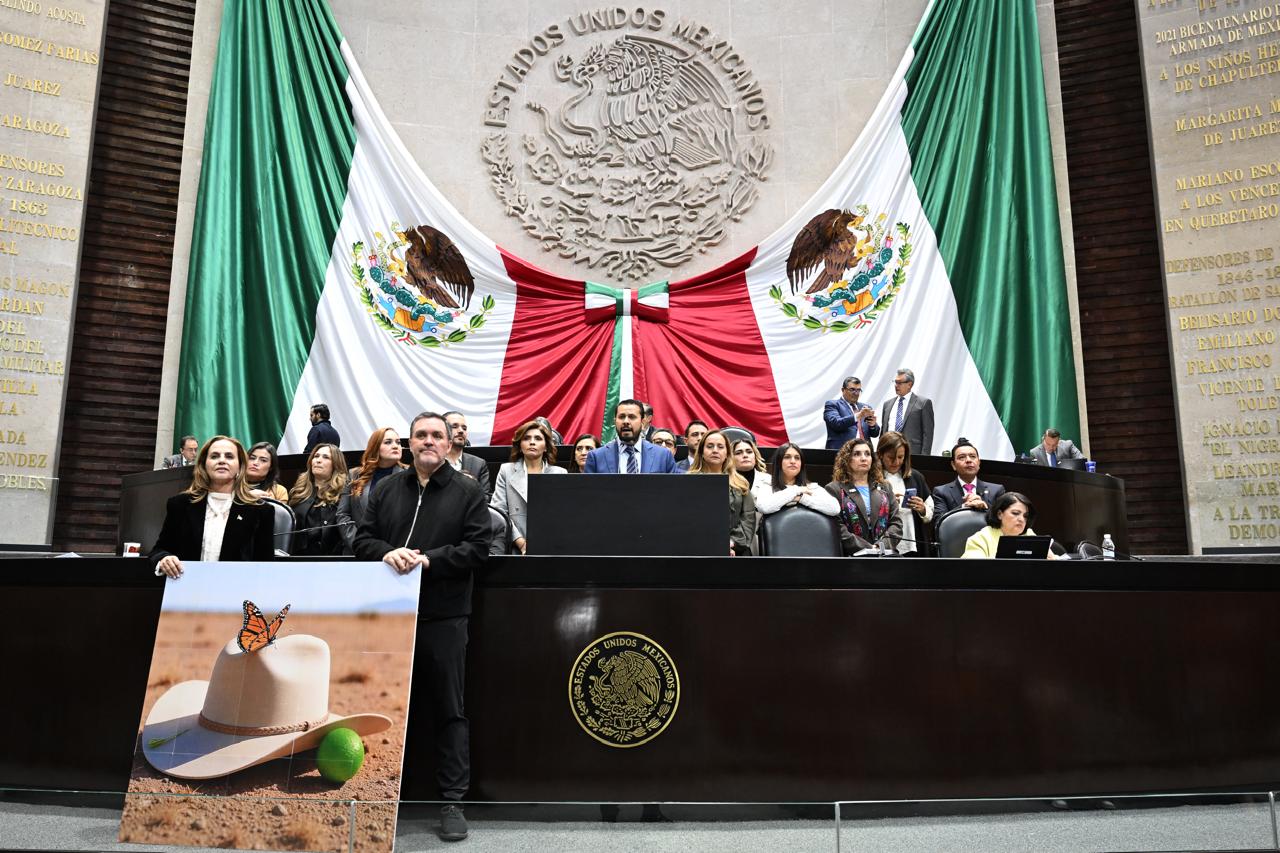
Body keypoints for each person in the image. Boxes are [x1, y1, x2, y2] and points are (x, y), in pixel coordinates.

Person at [352, 412, 489, 842]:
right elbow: (361, 540)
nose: (428, 441)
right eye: (420, 435)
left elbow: (479, 548)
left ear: (448, 444)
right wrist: (386, 553)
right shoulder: (387, 488)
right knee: (385, 708)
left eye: (436, 435)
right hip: (390, 615)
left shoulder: (468, 490)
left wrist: (430, 560)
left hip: (444, 616)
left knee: (449, 710)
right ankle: (379, 797)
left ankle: (452, 801)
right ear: (410, 444)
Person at [150, 436, 275, 578]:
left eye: (229, 456)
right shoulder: (180, 504)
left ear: (240, 466)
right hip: (187, 586)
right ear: (204, 465)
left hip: (236, 589)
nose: (222, 461)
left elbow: (266, 566)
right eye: (214, 456)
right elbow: (159, 550)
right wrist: (164, 559)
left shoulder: (261, 511)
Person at [491, 420, 566, 555]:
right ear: (520, 446)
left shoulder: (560, 473)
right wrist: (520, 542)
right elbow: (498, 512)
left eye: (538, 438)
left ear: (546, 447)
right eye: (526, 438)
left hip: (551, 546)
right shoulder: (506, 470)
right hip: (514, 546)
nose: (532, 442)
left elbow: (563, 514)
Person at [825, 438, 903, 555]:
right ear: (847, 459)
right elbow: (837, 527)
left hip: (885, 556)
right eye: (857, 454)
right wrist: (869, 549)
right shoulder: (834, 489)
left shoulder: (885, 487)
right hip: (851, 557)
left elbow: (896, 523)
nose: (863, 458)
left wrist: (880, 547)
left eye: (867, 454)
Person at [337, 427, 407, 555]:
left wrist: (389, 551)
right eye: (388, 442)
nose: (395, 446)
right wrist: (360, 544)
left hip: (396, 553)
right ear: (375, 447)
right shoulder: (354, 475)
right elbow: (343, 515)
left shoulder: (410, 475)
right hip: (357, 552)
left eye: (398, 442)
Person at [687, 429, 756, 556]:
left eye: (720, 447)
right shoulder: (688, 481)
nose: (715, 450)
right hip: (696, 549)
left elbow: (748, 521)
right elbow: (685, 520)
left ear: (727, 454)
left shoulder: (741, 483)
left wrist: (731, 543)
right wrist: (715, 544)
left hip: (736, 549)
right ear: (701, 452)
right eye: (709, 446)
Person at [877, 431, 933, 555]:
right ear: (880, 454)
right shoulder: (872, 479)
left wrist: (922, 509)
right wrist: (887, 505)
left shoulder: (916, 477)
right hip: (883, 543)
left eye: (900, 457)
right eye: (891, 457)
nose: (896, 462)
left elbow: (930, 512)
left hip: (913, 542)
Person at [287, 443, 349, 557]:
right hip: (298, 559)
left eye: (326, 457)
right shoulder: (298, 492)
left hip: (334, 559)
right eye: (316, 456)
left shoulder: (344, 494)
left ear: (336, 465)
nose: (318, 460)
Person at [584, 399, 677, 473]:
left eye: (632, 417)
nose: (626, 421)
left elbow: (672, 489)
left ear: (643, 422)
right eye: (621, 417)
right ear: (614, 421)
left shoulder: (663, 456)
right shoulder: (596, 457)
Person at [755, 442, 840, 516]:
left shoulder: (812, 487)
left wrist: (801, 498)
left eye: (797, 458)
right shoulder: (768, 486)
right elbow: (764, 507)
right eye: (787, 457)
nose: (793, 461)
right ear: (778, 463)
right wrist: (796, 490)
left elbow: (835, 509)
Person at [932, 438, 1005, 515]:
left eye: (972, 456)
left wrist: (985, 507)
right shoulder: (941, 492)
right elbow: (940, 520)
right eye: (962, 457)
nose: (968, 460)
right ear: (953, 465)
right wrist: (964, 506)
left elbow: (1003, 518)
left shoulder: (996, 490)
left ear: (979, 463)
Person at [962, 491, 1043, 558]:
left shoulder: (1029, 535)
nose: (1021, 519)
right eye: (1015, 513)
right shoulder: (980, 539)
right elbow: (974, 568)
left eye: (1025, 516)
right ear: (999, 514)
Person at [879, 368, 934, 456]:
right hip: (889, 453)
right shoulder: (887, 405)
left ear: (909, 384)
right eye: (895, 382)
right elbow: (883, 432)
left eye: (899, 383)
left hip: (912, 454)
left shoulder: (923, 403)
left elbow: (928, 434)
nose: (896, 385)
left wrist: (924, 458)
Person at [443, 411, 491, 496]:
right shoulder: (432, 461)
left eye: (464, 428)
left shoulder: (478, 464)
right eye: (454, 426)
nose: (461, 431)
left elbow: (486, 497)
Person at [824, 376, 879, 449]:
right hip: (841, 452)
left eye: (858, 390)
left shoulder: (866, 408)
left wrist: (873, 425)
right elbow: (836, 424)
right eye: (852, 389)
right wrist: (857, 416)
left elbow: (875, 434)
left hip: (864, 451)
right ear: (843, 390)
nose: (856, 393)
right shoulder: (832, 405)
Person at [731, 438, 769, 502]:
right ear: (731, 458)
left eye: (749, 452)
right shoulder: (723, 481)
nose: (745, 455)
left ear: (755, 456)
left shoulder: (769, 480)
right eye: (738, 453)